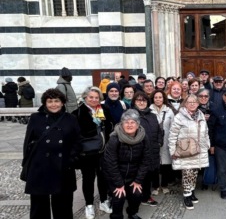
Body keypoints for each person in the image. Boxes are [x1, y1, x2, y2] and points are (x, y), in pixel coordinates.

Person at [22, 88, 81, 219]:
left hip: (63, 167)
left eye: (56, 101)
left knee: (63, 205)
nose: (53, 104)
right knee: (39, 206)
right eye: (50, 101)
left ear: (62, 103)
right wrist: (27, 163)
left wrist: (72, 159)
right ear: (45, 103)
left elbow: (77, 141)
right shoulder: (35, 118)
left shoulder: (71, 118)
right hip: (40, 167)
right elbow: (28, 142)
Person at [72, 86, 114, 219]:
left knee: (103, 177)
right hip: (87, 152)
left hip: (103, 151)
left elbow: (109, 126)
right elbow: (75, 135)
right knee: (88, 179)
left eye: (96, 97)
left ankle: (103, 201)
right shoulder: (78, 113)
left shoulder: (103, 110)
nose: (94, 99)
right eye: (91, 97)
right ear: (85, 97)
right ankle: (89, 204)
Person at [103, 109, 151, 219]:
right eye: (126, 122)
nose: (129, 125)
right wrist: (119, 184)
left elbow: (146, 160)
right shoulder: (115, 138)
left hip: (134, 175)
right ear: (122, 124)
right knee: (119, 197)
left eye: (133, 122)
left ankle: (132, 212)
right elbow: (110, 163)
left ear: (138, 124)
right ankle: (116, 215)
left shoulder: (143, 138)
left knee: (136, 194)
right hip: (115, 175)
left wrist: (138, 180)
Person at [168, 94, 210, 210]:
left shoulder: (201, 114)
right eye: (189, 102)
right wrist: (172, 151)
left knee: (194, 172)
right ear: (185, 104)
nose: (192, 104)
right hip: (185, 150)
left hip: (199, 149)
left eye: (194, 102)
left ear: (198, 104)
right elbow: (172, 135)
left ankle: (191, 192)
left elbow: (205, 131)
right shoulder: (179, 117)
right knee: (187, 173)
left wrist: (207, 144)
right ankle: (187, 195)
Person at [131, 91, 162, 207]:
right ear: (134, 102)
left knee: (149, 174)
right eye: (138, 100)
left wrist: (159, 142)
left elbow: (159, 130)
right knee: (138, 175)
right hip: (137, 151)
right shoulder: (130, 115)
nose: (141, 102)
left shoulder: (152, 115)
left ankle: (146, 196)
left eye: (143, 100)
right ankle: (135, 198)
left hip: (153, 150)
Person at [149, 90, 175, 195]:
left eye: (160, 97)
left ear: (163, 98)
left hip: (167, 139)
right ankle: (155, 186)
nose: (158, 99)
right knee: (155, 164)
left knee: (166, 164)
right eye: (156, 97)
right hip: (153, 141)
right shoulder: (149, 110)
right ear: (153, 99)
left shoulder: (169, 111)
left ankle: (164, 185)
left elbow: (173, 127)